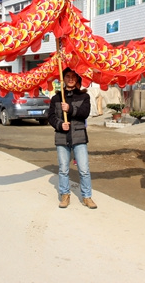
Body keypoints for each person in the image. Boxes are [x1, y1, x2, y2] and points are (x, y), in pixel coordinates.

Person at [48, 67, 97, 209]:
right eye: (67, 76)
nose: (70, 79)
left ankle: (87, 196)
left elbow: (84, 113)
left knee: (84, 169)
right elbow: (51, 116)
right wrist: (59, 124)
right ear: (63, 79)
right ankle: (65, 194)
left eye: (73, 76)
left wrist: (70, 109)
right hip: (62, 138)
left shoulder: (84, 96)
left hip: (79, 137)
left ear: (77, 79)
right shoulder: (56, 98)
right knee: (63, 169)